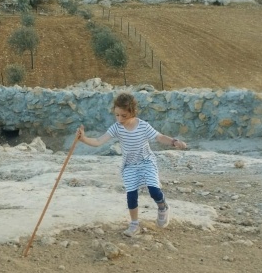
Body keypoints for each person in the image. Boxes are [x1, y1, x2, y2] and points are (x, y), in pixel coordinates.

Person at [76, 92, 187, 236]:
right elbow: (98, 141)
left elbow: (159, 137)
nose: (120, 119)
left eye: (124, 115)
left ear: (132, 112)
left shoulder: (142, 126)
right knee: (131, 196)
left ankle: (162, 207)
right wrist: (83, 139)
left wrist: (173, 141)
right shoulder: (116, 128)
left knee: (154, 191)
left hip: (146, 161)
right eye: (117, 115)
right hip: (129, 165)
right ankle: (134, 224)